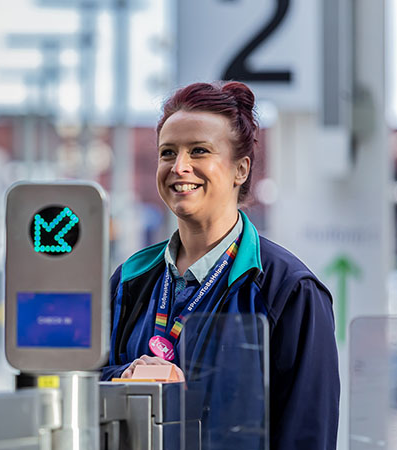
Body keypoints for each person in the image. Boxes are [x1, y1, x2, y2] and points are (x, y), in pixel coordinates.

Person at [101, 82, 340, 449]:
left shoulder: (289, 291)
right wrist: (125, 375)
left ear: (240, 169)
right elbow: (82, 384)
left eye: (199, 151)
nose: (180, 167)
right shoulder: (129, 279)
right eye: (168, 153)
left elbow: (307, 433)